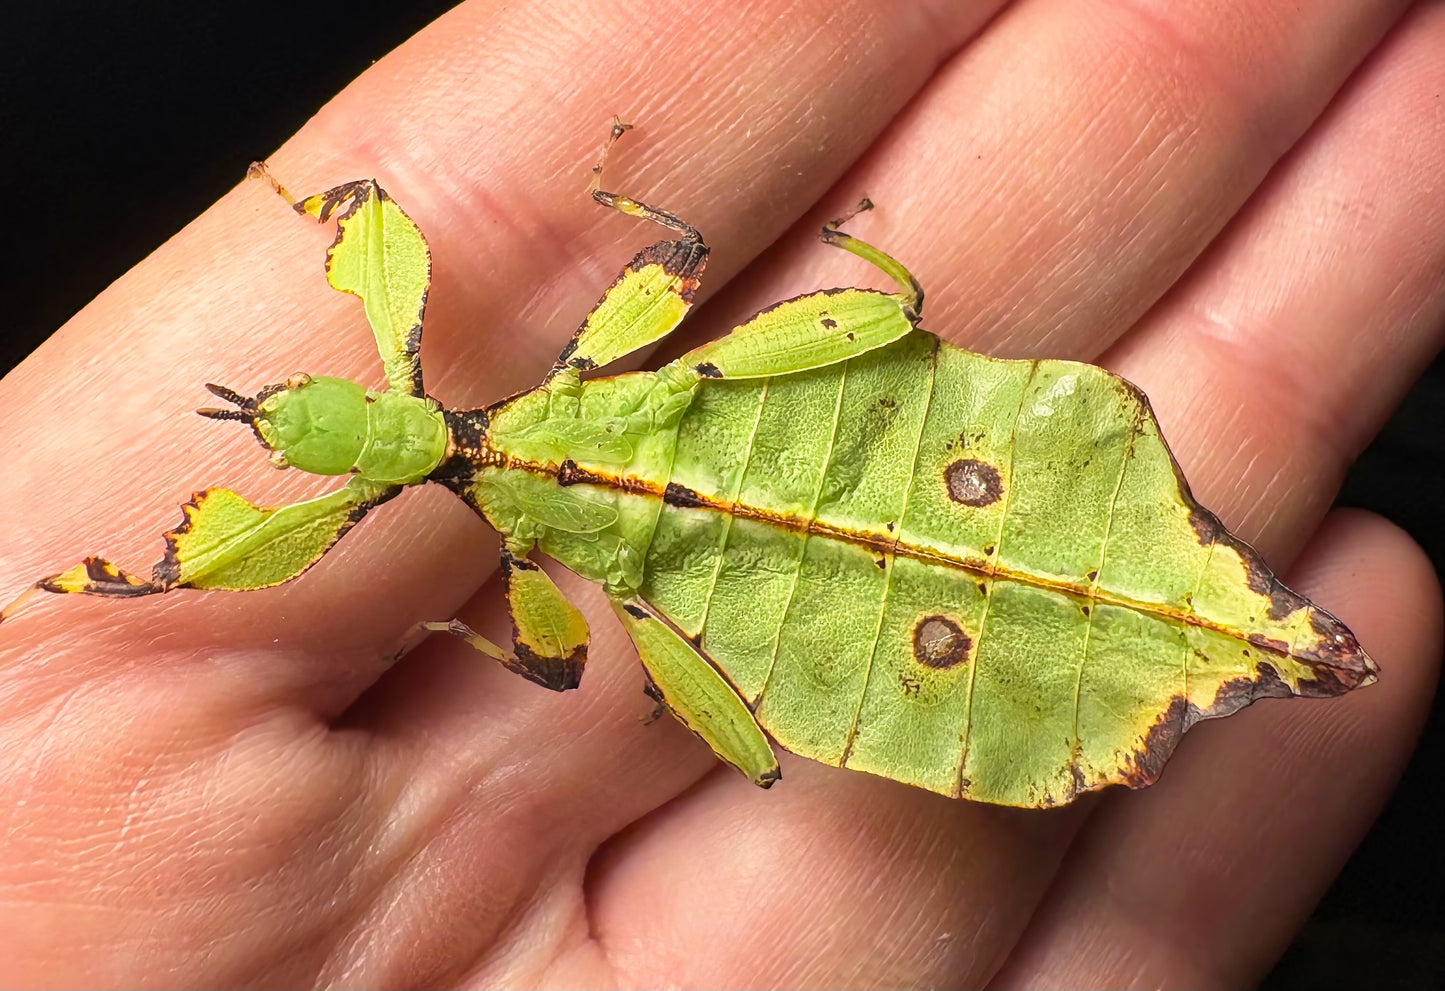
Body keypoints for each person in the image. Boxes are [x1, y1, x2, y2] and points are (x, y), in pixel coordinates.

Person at [0, 0, 1440, 985]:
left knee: (757, 740)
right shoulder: (571, 371)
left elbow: (559, 667)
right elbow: (678, 250)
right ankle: (1225, 635)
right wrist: (813, 240)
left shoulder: (530, 567)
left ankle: (1224, 623)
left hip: (798, 595)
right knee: (861, 300)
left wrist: (462, 639)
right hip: (848, 460)